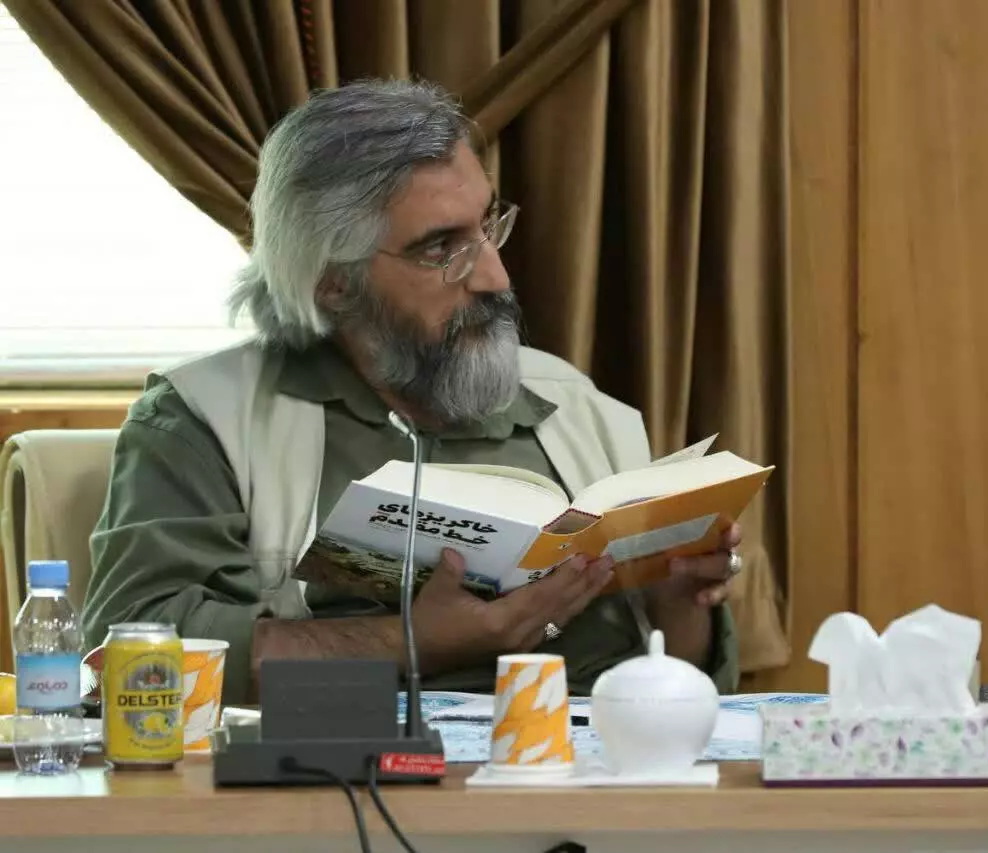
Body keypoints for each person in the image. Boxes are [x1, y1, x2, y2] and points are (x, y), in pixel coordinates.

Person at [82, 79, 741, 704]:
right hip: (340, 776)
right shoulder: (204, 419)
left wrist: (679, 601)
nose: (494, 276)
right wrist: (409, 643)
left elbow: (678, 681)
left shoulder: (579, 409)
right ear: (331, 282)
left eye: (487, 225)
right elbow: (128, 656)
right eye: (439, 248)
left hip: (592, 771)